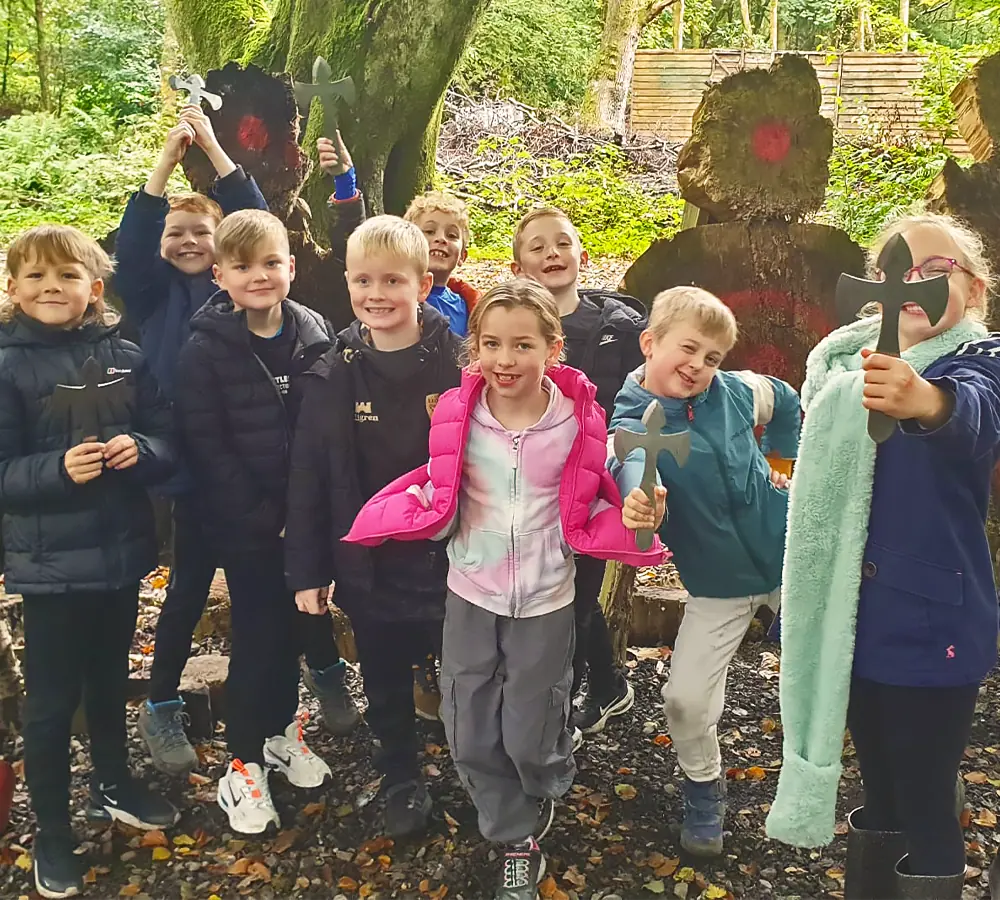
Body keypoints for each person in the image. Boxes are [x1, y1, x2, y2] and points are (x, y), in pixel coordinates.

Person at [344, 280, 666, 899]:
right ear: (474, 349)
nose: (504, 360)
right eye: (490, 344)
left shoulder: (578, 420)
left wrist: (635, 515)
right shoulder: (458, 413)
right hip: (470, 588)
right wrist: (402, 516)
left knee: (529, 731)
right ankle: (514, 831)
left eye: (522, 345)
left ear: (553, 348)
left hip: (547, 596)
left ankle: (543, 781)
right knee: (467, 728)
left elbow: (600, 496)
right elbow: (437, 482)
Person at [766, 213, 1000, 900]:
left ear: (975, 290)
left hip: (932, 628)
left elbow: (978, 414)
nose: (916, 283)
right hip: (853, 620)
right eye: (899, 270)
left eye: (936, 270)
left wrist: (925, 400)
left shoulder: (979, 362)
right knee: (881, 788)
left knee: (926, 799)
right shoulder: (842, 370)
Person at [119, 118, 360, 776]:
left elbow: (260, 230)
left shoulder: (279, 304)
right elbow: (136, 242)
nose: (191, 241)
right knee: (191, 588)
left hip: (274, 478)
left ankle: (315, 683)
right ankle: (164, 700)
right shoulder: (155, 296)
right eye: (179, 234)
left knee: (284, 592)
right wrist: (168, 161)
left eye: (203, 231)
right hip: (195, 475)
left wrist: (217, 151)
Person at [0, 226, 179, 899]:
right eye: (37, 277)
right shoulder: (7, 365)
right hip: (49, 567)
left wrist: (144, 449)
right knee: (49, 706)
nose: (53, 288)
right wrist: (54, 469)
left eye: (68, 276)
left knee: (109, 682)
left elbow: (167, 433)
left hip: (120, 552)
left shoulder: (126, 355)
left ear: (94, 288)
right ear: (13, 290)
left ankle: (114, 785)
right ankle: (52, 833)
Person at [284, 215, 463, 837]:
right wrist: (309, 567)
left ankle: (481, 770)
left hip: (452, 558)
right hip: (369, 559)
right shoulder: (332, 372)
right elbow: (308, 472)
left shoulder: (457, 365)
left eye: (393, 280)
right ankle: (400, 779)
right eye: (364, 280)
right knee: (384, 677)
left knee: (465, 672)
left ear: (424, 283)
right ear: (347, 283)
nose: (377, 294)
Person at [610, 286, 800, 857]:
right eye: (688, 350)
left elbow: (786, 398)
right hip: (718, 584)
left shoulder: (737, 391)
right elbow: (630, 463)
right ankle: (702, 787)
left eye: (713, 357)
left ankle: (899, 773)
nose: (699, 366)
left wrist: (779, 461)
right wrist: (641, 502)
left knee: (849, 665)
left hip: (791, 559)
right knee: (685, 699)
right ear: (651, 342)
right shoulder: (631, 419)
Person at [173, 210, 336, 835]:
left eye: (271, 263)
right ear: (220, 275)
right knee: (260, 636)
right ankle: (240, 762)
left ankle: (279, 733)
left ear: (291, 266)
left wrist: (312, 517)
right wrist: (268, 520)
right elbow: (208, 447)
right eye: (243, 266)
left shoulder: (313, 333)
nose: (260, 276)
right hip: (250, 528)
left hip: (308, 521)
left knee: (297, 632)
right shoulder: (205, 350)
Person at [511, 207, 647, 745]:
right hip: (535, 484)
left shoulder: (622, 328)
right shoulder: (515, 331)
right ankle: (608, 684)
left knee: (573, 596)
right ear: (519, 266)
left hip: (598, 483)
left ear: (582, 257)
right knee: (560, 594)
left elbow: (645, 396)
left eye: (562, 243)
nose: (552, 254)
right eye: (538, 247)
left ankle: (556, 718)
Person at [404, 190, 480, 337]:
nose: (441, 239)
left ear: (462, 256)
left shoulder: (472, 308)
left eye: (451, 235)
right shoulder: (395, 295)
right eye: (429, 231)